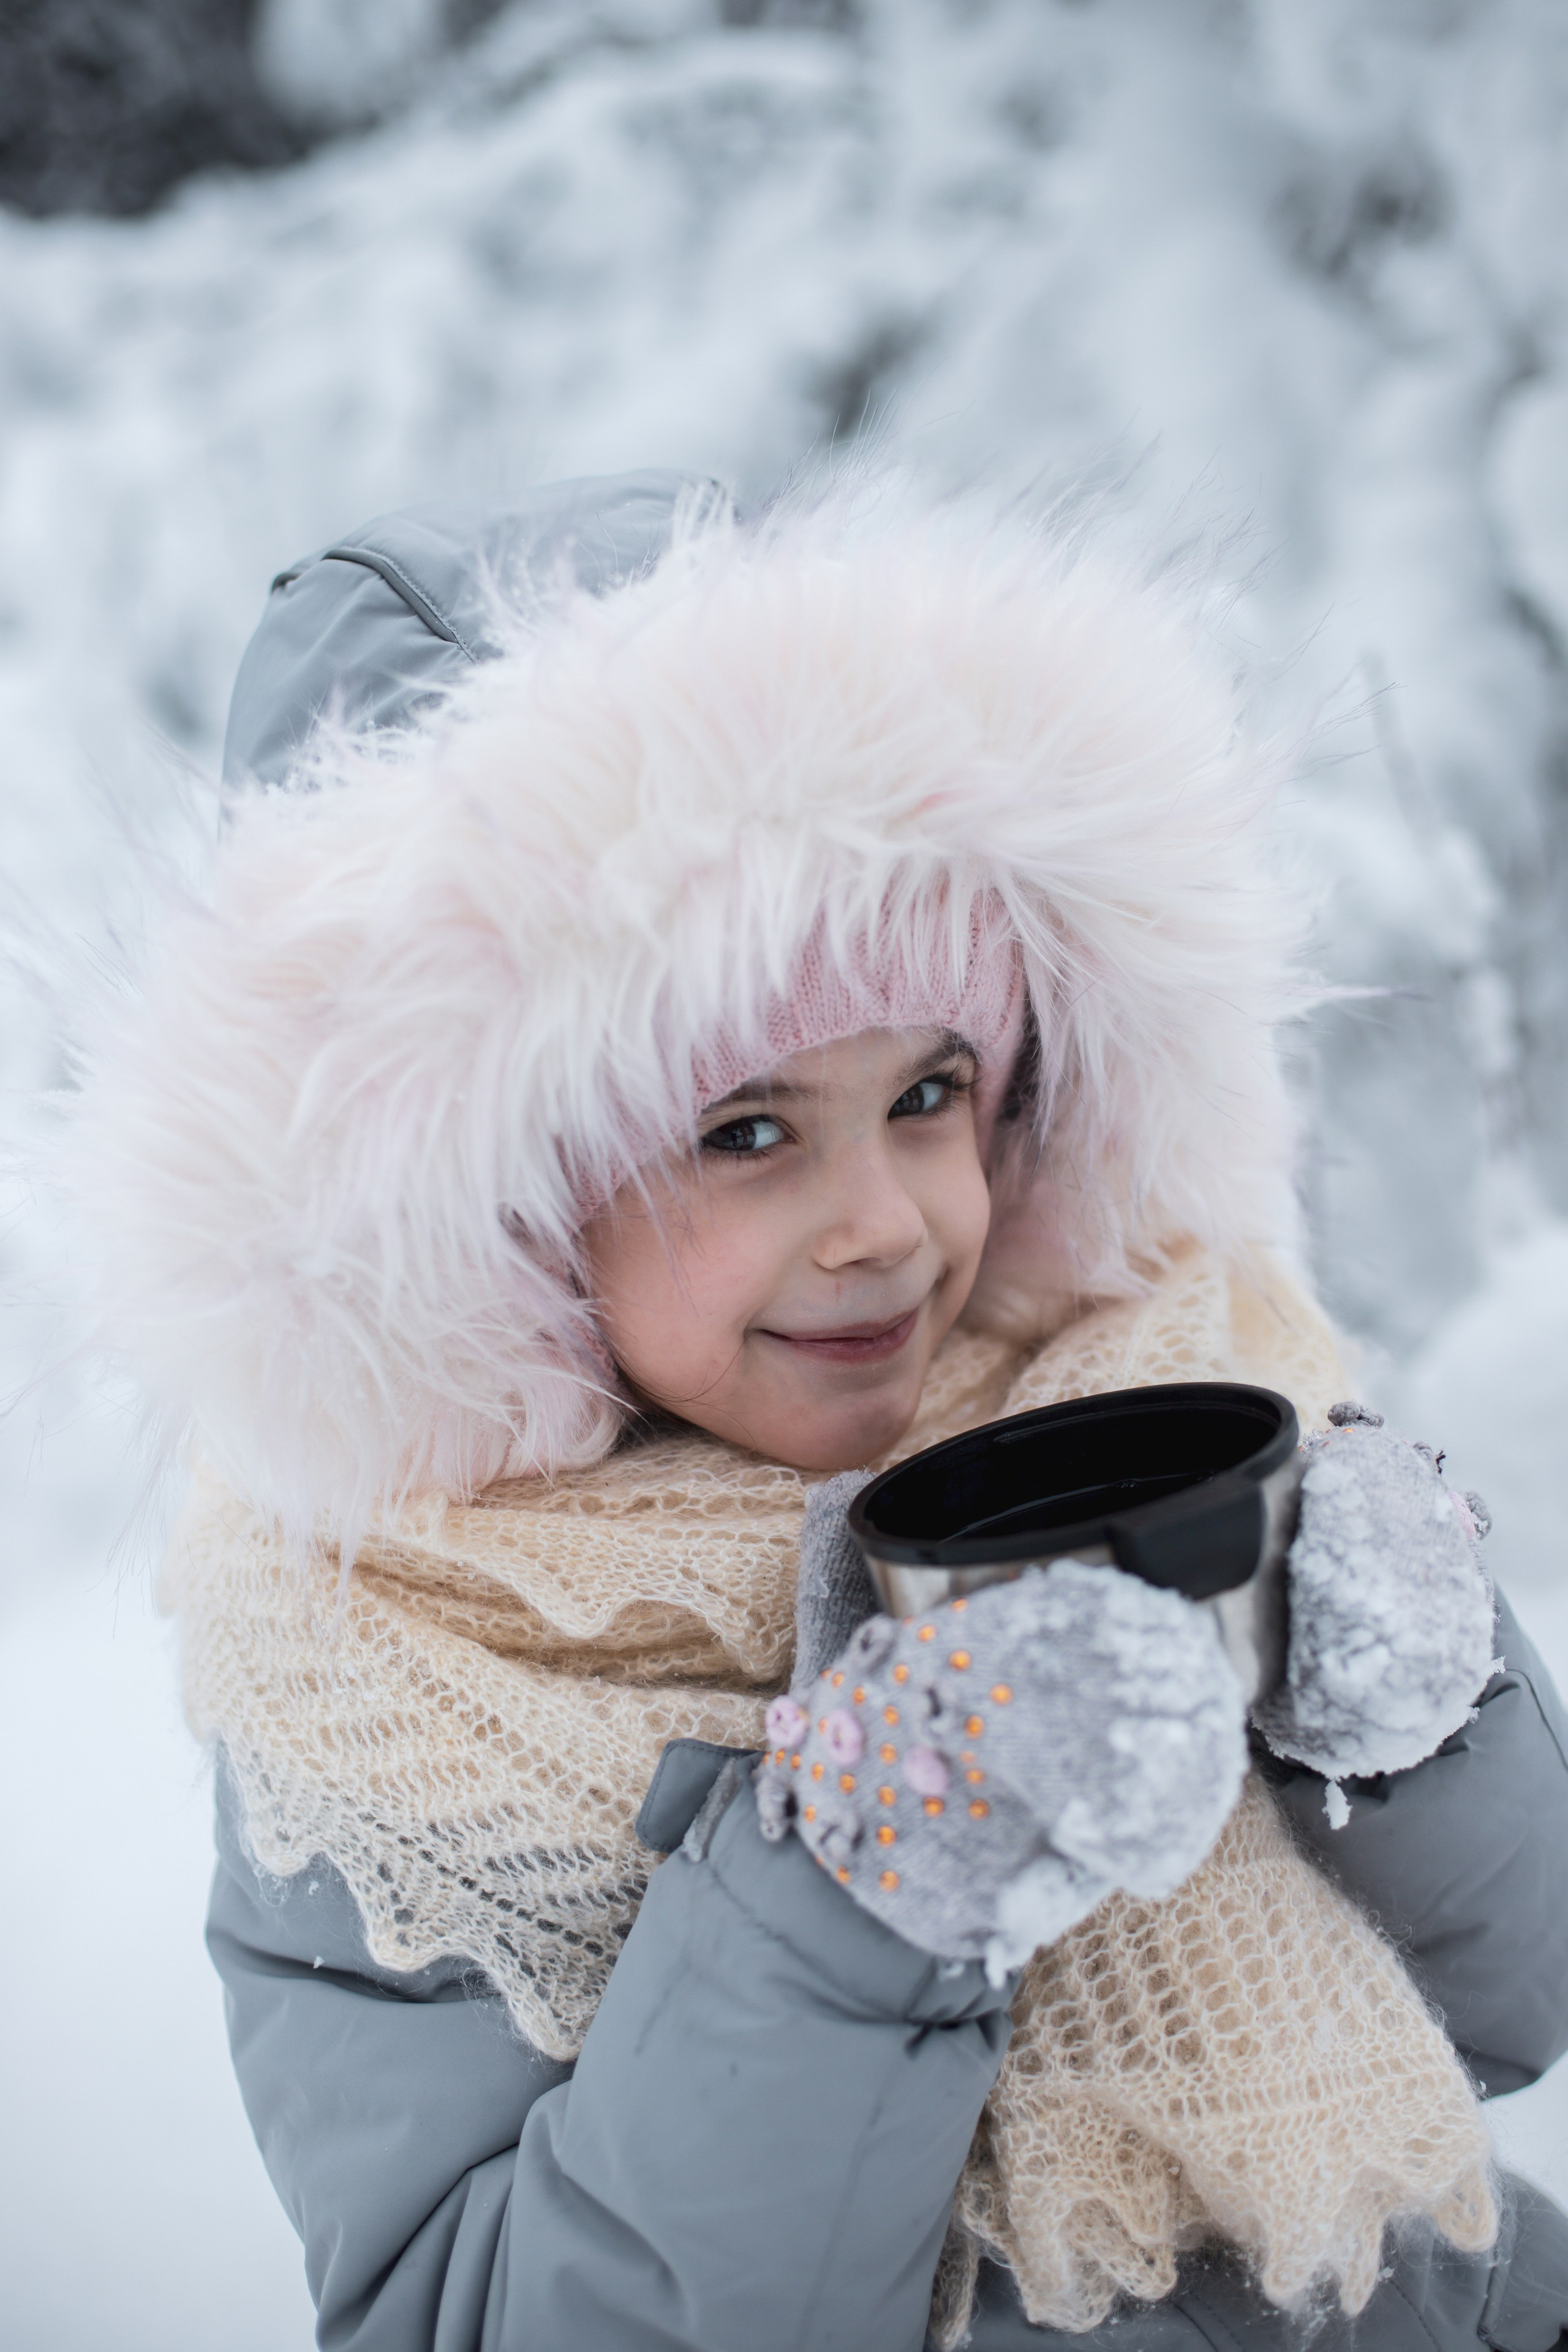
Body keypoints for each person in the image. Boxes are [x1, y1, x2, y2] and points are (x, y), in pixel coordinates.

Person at [69, 473, 1568, 2350]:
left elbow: (1504, 2014)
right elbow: (484, 2317)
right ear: (488, 1207)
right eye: (749, 1131)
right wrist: (856, 1887)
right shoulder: (396, 1705)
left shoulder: (1129, 1393)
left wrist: (1417, 1719)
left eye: (931, 1092)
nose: (883, 1222)